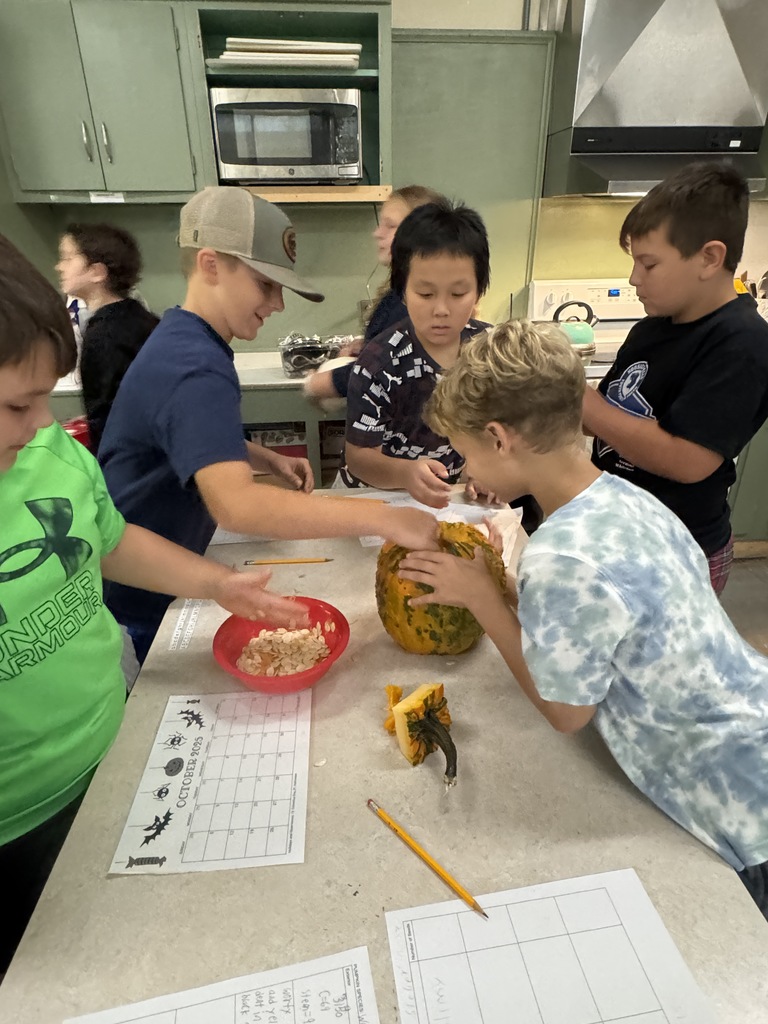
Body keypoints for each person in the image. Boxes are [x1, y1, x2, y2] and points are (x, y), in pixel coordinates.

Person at [0, 233, 309, 973]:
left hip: (113, 747)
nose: (42, 422)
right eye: (17, 403)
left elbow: (110, 540)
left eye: (44, 398)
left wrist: (217, 584)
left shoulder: (49, 452)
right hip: (17, 822)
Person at [398, 318, 768, 922]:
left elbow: (567, 713)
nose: (468, 471)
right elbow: (605, 617)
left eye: (466, 453)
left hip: (736, 797)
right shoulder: (626, 497)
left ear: (499, 438)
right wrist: (507, 586)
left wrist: (485, 600)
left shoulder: (560, 556)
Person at [98, 186, 438, 663]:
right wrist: (385, 517)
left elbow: (179, 437)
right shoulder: (194, 365)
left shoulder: (185, 337)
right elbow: (237, 506)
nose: (277, 303)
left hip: (162, 577)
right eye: (265, 284)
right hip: (142, 606)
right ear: (211, 265)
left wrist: (258, 456)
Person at [582, 161, 768, 595]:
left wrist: (581, 400)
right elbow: (599, 421)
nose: (634, 278)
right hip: (616, 533)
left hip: (677, 554)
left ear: (709, 258)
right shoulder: (652, 329)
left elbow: (688, 461)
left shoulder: (743, 343)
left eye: (648, 264)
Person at [338, 199, 492, 508]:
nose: (441, 309)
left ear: (479, 290)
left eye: (458, 293)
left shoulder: (489, 351)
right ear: (403, 292)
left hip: (448, 496)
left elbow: (495, 432)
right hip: (376, 497)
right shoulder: (379, 363)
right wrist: (405, 473)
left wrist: (487, 472)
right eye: (425, 293)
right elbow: (358, 458)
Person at [303, 184, 446, 407]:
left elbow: (382, 371)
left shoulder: (418, 301)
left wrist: (317, 383)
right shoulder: (402, 292)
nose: (377, 233)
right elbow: (394, 352)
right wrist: (368, 347)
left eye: (390, 226)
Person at [56, 223, 160, 452]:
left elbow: (105, 421)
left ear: (97, 272)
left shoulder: (102, 335)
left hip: (127, 460)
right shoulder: (142, 318)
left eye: (67, 258)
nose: (59, 267)